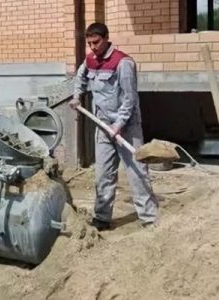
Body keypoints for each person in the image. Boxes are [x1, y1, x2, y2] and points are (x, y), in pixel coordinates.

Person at [68, 22, 158, 231]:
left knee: (137, 172)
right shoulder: (90, 60)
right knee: (103, 173)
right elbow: (80, 77)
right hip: (103, 124)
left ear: (106, 38)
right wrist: (76, 96)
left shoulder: (123, 63)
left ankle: (149, 218)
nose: (93, 47)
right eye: (89, 43)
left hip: (127, 126)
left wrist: (119, 124)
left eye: (96, 42)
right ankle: (102, 217)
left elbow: (130, 98)